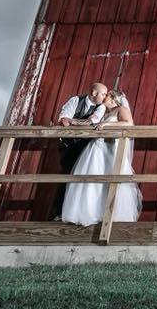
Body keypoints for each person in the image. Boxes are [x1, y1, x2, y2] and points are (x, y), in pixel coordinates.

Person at [61, 89, 142, 226]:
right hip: (96, 148)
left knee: (110, 178)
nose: (103, 96)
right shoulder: (104, 112)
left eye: (106, 94)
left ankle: (112, 215)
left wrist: (106, 124)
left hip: (111, 148)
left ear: (112, 98)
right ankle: (89, 213)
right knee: (91, 178)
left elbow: (128, 123)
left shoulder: (120, 109)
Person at [48, 82, 108, 220]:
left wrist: (73, 121)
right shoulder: (75, 100)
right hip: (68, 146)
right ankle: (57, 214)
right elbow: (63, 121)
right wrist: (78, 122)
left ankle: (79, 215)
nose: (104, 97)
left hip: (86, 148)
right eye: (103, 94)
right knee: (66, 177)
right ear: (94, 93)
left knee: (82, 180)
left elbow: (93, 121)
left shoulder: (101, 107)